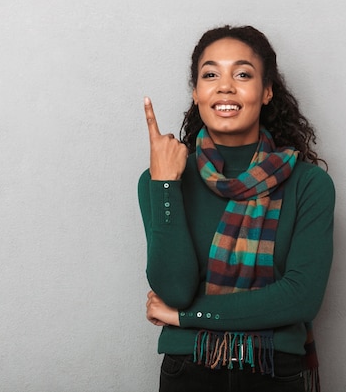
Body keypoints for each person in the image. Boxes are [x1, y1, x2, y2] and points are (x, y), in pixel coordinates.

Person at [138, 25, 335, 392]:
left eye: (242, 74)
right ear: (196, 93)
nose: (225, 86)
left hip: (276, 372)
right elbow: (174, 289)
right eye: (210, 74)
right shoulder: (161, 180)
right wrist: (165, 184)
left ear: (267, 91)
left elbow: (301, 298)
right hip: (188, 372)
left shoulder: (309, 185)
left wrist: (187, 317)